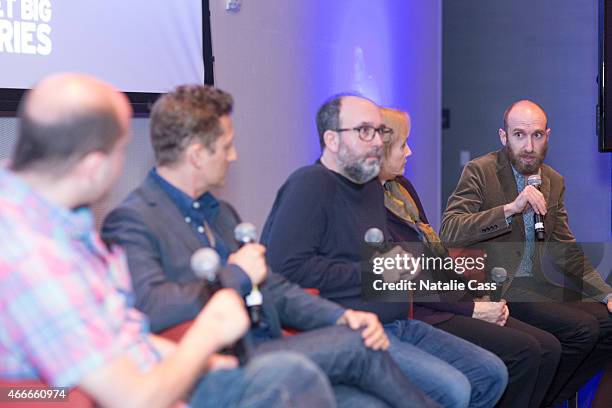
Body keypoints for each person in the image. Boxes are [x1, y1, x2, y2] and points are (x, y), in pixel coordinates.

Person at [0, 73, 336, 408]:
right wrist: (209, 334)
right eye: (121, 151)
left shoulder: (59, 221)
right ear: (92, 166)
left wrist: (194, 360)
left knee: (289, 376)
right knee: (291, 377)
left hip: (146, 375)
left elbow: (121, 334)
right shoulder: (34, 257)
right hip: (120, 395)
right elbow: (133, 398)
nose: (122, 166)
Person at [102, 84, 436, 408]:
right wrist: (234, 275)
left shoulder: (220, 213)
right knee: (358, 344)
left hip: (268, 347)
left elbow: (275, 288)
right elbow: (151, 306)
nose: (234, 156)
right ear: (197, 155)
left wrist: (342, 316)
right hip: (215, 365)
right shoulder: (134, 220)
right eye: (226, 146)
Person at [261, 92, 509, 408]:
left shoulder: (369, 190)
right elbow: (285, 269)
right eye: (365, 131)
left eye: (380, 131)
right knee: (455, 389)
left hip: (399, 322)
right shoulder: (311, 184)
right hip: (350, 332)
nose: (377, 141)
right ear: (332, 140)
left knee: (491, 373)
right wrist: (375, 271)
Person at [378, 107, 561, 408]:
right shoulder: (370, 202)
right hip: (425, 312)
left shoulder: (403, 189)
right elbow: (408, 272)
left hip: (451, 297)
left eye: (537, 135)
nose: (410, 152)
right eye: (403, 145)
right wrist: (471, 308)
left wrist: (476, 294)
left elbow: (434, 261)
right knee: (526, 351)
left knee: (548, 348)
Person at [440, 99, 612, 405]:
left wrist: (605, 293)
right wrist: (510, 210)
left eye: (537, 136)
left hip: (537, 285)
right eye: (519, 135)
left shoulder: (553, 181)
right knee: (583, 330)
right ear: (504, 137)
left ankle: (545, 397)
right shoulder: (480, 171)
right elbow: (450, 229)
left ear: (548, 136)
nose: (529, 146)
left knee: (608, 321)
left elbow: (564, 248)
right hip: (498, 287)